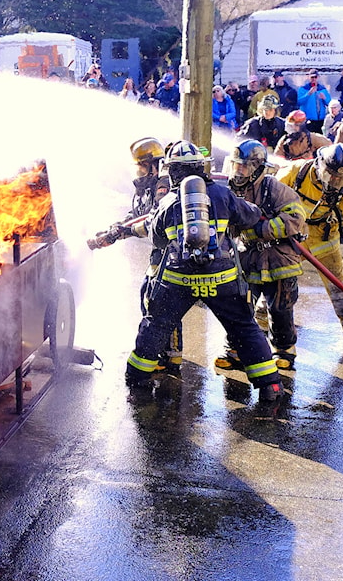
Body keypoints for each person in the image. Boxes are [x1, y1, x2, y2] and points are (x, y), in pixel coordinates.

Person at [123, 140, 284, 405]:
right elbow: (249, 218)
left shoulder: (168, 201)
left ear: (172, 171)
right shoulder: (223, 194)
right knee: (243, 327)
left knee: (157, 324)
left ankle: (138, 377)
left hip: (178, 281)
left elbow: (158, 239)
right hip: (221, 280)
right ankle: (270, 385)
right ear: (201, 166)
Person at [88, 138, 186, 373]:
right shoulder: (146, 186)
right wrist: (114, 227)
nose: (139, 171)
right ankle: (166, 352)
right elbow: (137, 213)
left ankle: (170, 356)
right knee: (150, 295)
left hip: (171, 251)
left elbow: (154, 216)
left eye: (142, 166)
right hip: (160, 251)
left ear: (154, 164)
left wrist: (118, 233)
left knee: (162, 301)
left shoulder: (163, 184)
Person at [276, 143, 343, 356]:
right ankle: (264, 322)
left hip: (323, 237)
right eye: (332, 177)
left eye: (341, 179)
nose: (335, 183)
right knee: (279, 281)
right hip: (292, 237)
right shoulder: (295, 172)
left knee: (339, 284)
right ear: (320, 166)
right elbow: (270, 197)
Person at [222, 140, 308, 368]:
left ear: (257, 167)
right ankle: (235, 351)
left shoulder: (274, 188)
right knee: (240, 305)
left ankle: (284, 351)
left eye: (244, 167)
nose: (238, 172)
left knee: (280, 307)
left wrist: (262, 230)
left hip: (279, 258)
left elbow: (296, 217)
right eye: (236, 166)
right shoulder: (229, 191)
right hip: (247, 259)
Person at [297, 69, 331, 133]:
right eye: (312, 77)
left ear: (318, 77)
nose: (314, 79)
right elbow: (299, 102)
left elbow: (329, 103)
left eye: (315, 77)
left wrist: (324, 98)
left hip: (321, 120)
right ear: (308, 77)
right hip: (308, 120)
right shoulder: (303, 89)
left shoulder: (323, 89)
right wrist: (308, 94)